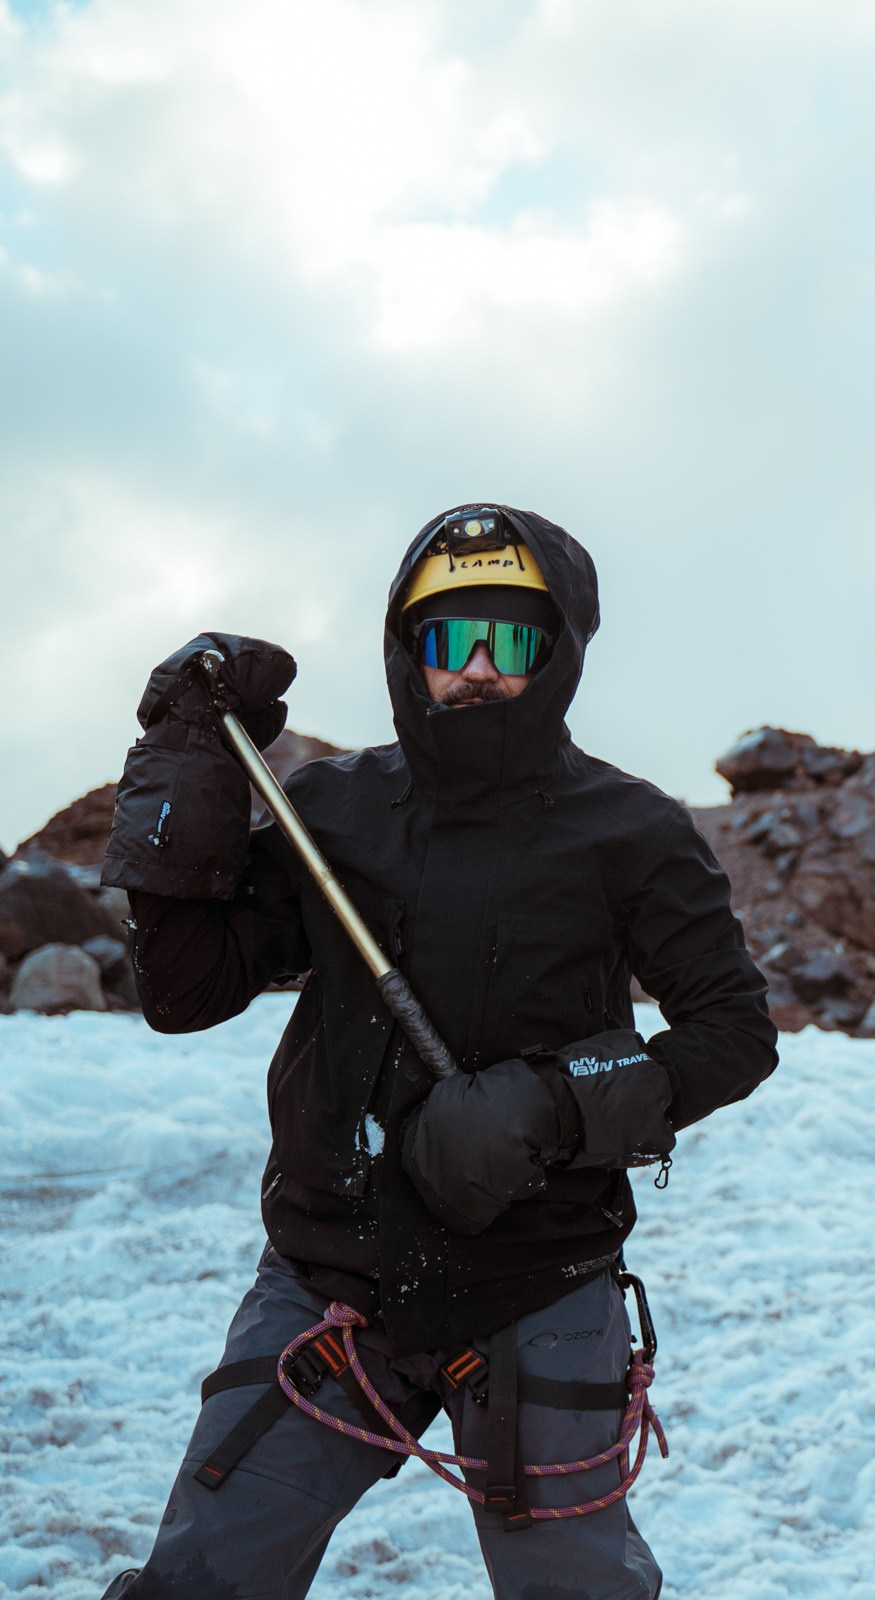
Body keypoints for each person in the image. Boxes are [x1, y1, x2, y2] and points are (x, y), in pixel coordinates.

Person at [98, 504, 778, 1600]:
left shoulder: (632, 829)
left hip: (539, 1279)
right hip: (329, 1278)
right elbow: (184, 994)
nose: (473, 670)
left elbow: (732, 1033)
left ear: (556, 654)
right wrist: (180, 783)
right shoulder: (327, 809)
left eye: (507, 643)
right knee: (199, 1583)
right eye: (443, 640)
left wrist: (557, 1105)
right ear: (402, 651)